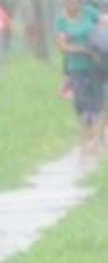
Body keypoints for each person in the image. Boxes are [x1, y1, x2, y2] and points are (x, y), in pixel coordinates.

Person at [56, 0, 103, 155]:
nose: (74, 3)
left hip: (96, 65)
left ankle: (95, 142)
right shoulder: (60, 21)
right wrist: (84, 50)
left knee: (97, 103)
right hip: (75, 67)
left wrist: (100, 40)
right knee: (81, 103)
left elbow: (103, 23)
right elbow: (62, 46)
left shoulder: (89, 12)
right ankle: (84, 141)